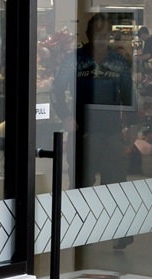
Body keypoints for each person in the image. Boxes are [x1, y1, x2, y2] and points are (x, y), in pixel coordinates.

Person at [53, 12, 133, 188]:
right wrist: (65, 116)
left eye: (105, 35)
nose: (102, 40)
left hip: (112, 132)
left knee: (115, 188)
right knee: (80, 188)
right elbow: (57, 91)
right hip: (82, 131)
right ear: (88, 34)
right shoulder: (74, 59)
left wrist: (130, 125)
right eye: (98, 35)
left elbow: (128, 95)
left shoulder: (118, 61)